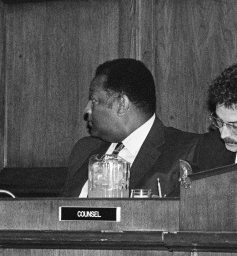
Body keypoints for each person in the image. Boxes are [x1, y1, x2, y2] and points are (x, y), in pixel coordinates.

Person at [61, 59, 198, 197]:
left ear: (121, 104)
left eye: (94, 101)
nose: (87, 109)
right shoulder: (84, 150)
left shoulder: (184, 151)